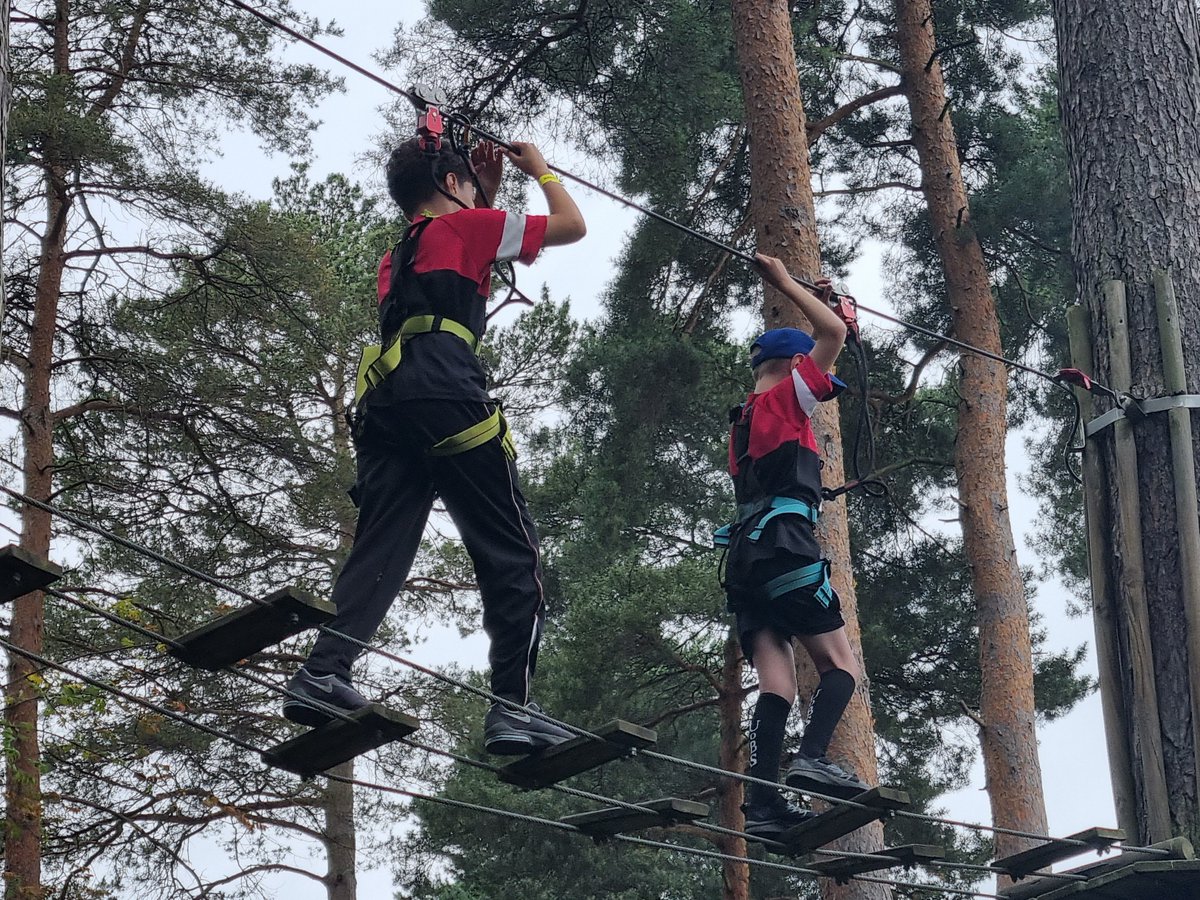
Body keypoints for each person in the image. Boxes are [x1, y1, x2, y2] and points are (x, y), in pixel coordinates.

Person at [282, 135, 587, 756]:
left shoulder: (400, 253)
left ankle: (323, 672)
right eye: (468, 186)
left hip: (388, 405)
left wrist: (485, 194)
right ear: (451, 186)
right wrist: (541, 171)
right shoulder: (469, 226)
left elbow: (469, 261)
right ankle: (512, 710)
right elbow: (571, 226)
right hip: (448, 396)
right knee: (512, 553)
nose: (477, 194)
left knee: (385, 547)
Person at [717, 254, 871, 839]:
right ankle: (811, 757)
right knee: (840, 667)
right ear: (793, 364)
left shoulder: (743, 421)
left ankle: (761, 804)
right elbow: (831, 337)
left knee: (777, 686)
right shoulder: (785, 400)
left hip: (745, 564)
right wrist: (786, 285)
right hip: (785, 548)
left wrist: (834, 306)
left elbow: (838, 340)